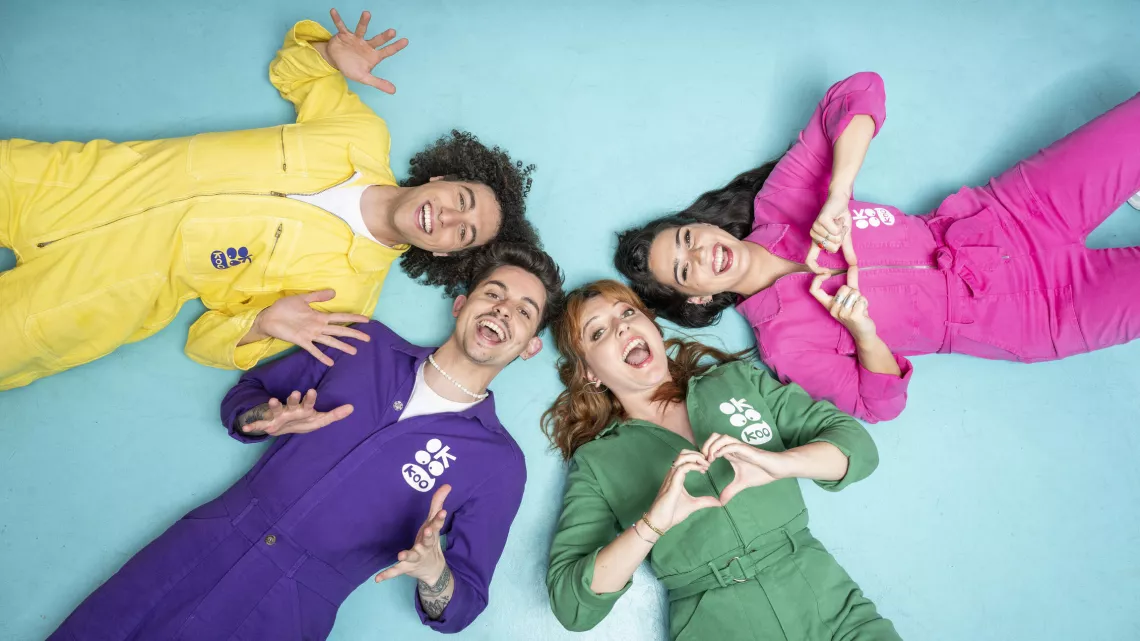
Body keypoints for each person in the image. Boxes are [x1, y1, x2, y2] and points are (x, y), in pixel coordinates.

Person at [0, 8, 539, 391]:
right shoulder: (359, 133)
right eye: (461, 198)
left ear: (444, 252)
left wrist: (260, 325)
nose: (448, 216)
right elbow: (291, 71)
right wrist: (328, 55)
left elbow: (206, 340)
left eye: (462, 232)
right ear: (441, 177)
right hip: (74, 181)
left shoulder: (349, 295)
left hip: (101, 292)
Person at [48, 242, 565, 640]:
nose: (504, 310)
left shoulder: (499, 464)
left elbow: (462, 603)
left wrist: (435, 574)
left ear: (529, 347)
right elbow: (244, 399)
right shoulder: (364, 343)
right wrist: (266, 418)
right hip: (207, 542)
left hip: (291, 611)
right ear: (461, 304)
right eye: (493, 293)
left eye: (525, 311)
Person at [614, 71, 1140, 422]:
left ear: (703, 226)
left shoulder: (780, 203)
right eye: (684, 270)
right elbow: (878, 403)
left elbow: (858, 92)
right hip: (1034, 315)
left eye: (687, 239)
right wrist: (863, 331)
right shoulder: (785, 344)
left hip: (1011, 212)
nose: (700, 254)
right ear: (699, 297)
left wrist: (838, 193)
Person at [543, 279, 897, 641]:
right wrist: (651, 525)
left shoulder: (738, 381)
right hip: (714, 624)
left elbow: (857, 448)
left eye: (628, 312)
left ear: (652, 326)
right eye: (599, 332)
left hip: (830, 605)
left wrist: (780, 464)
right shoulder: (597, 461)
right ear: (589, 373)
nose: (622, 327)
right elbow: (571, 607)